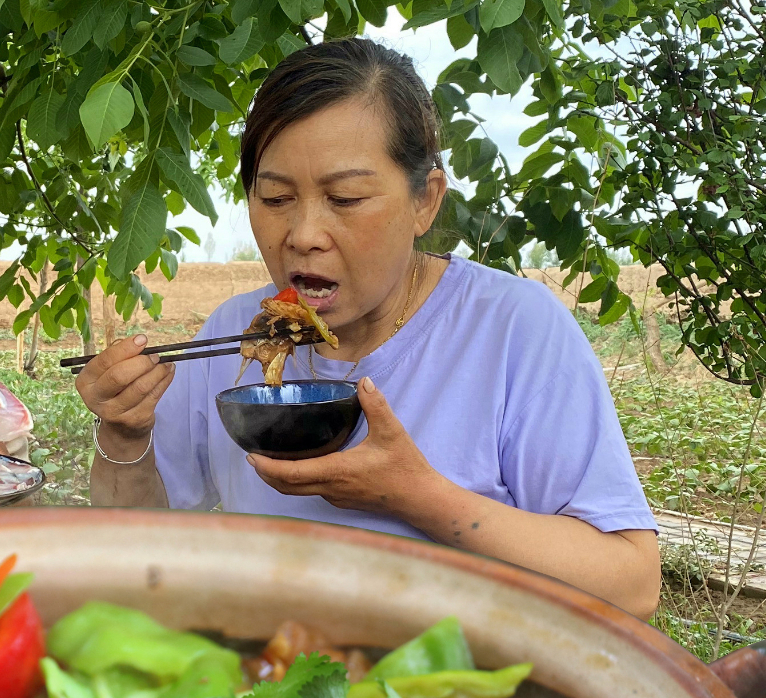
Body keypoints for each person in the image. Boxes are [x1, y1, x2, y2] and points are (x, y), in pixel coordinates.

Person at [78, 37, 661, 618]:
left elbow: (632, 585)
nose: (303, 233)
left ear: (425, 201)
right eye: (276, 197)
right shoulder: (237, 332)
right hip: (275, 679)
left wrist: (420, 497)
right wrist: (125, 438)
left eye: (346, 197)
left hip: (457, 694)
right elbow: (135, 555)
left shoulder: (513, 329)